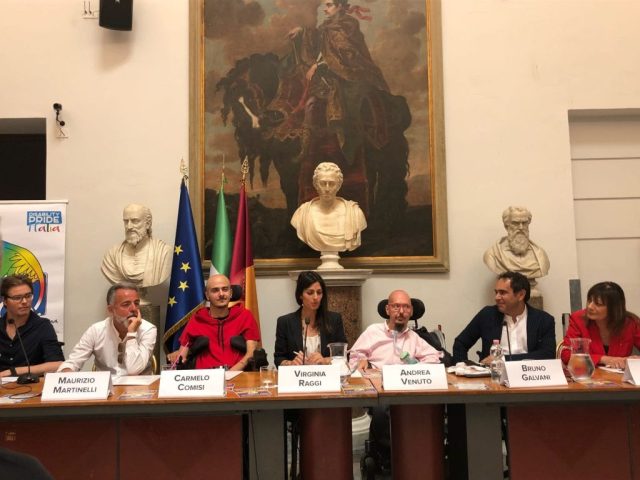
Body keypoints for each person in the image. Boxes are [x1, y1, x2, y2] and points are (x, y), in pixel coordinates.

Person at [452, 271, 556, 364]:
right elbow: (460, 343)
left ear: (521, 295)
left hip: (528, 375)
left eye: (502, 293)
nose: (497, 297)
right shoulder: (487, 315)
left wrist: (503, 359)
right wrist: (462, 368)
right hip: (492, 376)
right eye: (496, 292)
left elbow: (547, 354)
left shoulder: (544, 320)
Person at [58, 283, 156, 375]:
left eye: (136, 303)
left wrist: (131, 334)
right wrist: (67, 373)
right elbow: (72, 362)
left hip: (139, 386)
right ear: (111, 310)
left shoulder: (148, 330)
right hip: (105, 385)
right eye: (126, 304)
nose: (134, 309)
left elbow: (134, 370)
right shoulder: (96, 330)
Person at [167, 274, 260, 371]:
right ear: (207, 295)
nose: (221, 294)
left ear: (231, 293)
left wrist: (230, 373)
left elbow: (251, 353)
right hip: (204, 376)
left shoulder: (244, 316)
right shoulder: (197, 318)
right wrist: (176, 356)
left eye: (225, 289)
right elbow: (182, 356)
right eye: (215, 290)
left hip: (237, 374)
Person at [350, 289, 442, 369]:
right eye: (396, 306)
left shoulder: (413, 337)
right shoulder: (373, 331)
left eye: (406, 307)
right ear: (387, 309)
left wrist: (416, 368)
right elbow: (354, 355)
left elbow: (434, 357)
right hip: (377, 380)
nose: (401, 311)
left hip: (404, 380)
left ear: (411, 311)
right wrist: (362, 359)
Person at [560, 281, 640, 369]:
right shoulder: (578, 319)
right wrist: (604, 359)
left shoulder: (631, 323)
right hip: (589, 374)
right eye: (589, 301)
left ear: (613, 308)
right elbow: (566, 355)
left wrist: (635, 360)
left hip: (620, 376)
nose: (590, 307)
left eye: (598, 304)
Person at [291, 162, 367, 253]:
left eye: (332, 184)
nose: (327, 189)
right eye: (323, 183)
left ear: (339, 185)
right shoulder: (302, 214)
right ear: (315, 184)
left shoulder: (355, 214)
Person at [274, 270, 347, 366]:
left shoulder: (334, 320)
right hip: (298, 374)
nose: (316, 297)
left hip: (325, 374)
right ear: (300, 295)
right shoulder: (285, 322)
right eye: (310, 292)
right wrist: (291, 363)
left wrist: (325, 360)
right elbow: (279, 358)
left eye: (319, 292)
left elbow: (343, 356)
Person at [0, 275, 64, 378]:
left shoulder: (42, 326)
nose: (24, 301)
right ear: (5, 301)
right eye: (17, 298)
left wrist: (12, 372)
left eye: (28, 296)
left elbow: (57, 364)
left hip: (31, 385)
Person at [101, 204, 172, 288]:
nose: (129, 226)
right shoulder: (112, 256)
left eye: (135, 221)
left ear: (148, 224)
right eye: (126, 221)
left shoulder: (164, 252)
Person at [483, 206, 550, 283]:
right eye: (515, 223)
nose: (521, 227)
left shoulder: (540, 255)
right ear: (506, 226)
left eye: (524, 223)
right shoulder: (493, 255)